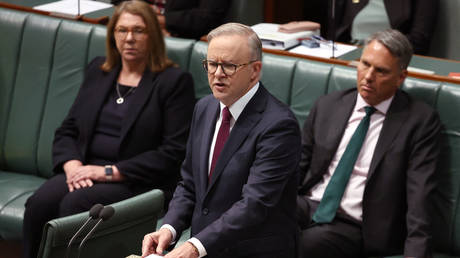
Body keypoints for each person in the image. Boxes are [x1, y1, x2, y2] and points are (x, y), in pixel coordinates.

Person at [22, 1, 195, 257]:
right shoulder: (99, 70)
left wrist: (107, 172)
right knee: (39, 203)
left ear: (153, 36)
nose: (129, 38)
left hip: (135, 181)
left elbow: (172, 153)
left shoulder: (174, 82)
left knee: (75, 205)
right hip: (84, 171)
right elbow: (68, 129)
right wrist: (73, 168)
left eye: (139, 30)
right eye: (122, 30)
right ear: (113, 34)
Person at [141, 23, 301, 258]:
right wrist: (169, 227)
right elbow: (189, 184)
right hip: (205, 247)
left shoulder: (279, 125)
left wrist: (195, 246)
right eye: (212, 64)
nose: (217, 74)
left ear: (255, 70)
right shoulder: (204, 108)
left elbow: (254, 204)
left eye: (228, 66)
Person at [297, 29, 441, 258]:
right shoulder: (329, 105)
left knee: (309, 244)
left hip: (357, 223)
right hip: (309, 204)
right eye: (365, 64)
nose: (368, 76)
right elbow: (297, 166)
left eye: (381, 71)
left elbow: (420, 197)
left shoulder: (419, 122)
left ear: (401, 77)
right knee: (257, 219)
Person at [306, 0, 438, 55]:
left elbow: (420, 40)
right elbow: (333, 32)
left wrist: (376, 52)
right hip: (348, 55)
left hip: (391, 60)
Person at [112, 0, 232, 39]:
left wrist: (159, 21)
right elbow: (118, 2)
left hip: (180, 34)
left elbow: (208, 17)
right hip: (136, 23)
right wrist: (141, 11)